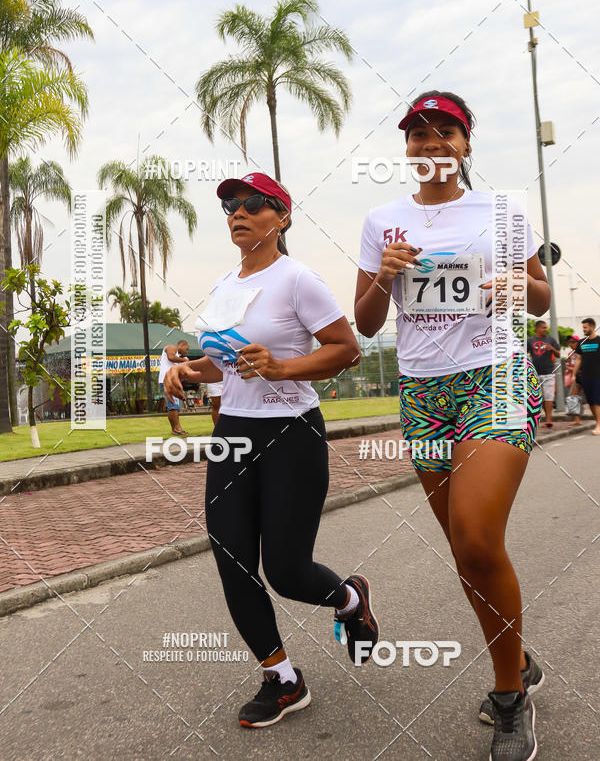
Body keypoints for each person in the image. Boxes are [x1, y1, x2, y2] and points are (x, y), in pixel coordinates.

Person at [355, 91, 547, 761]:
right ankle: (517, 659)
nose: (431, 144)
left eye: (445, 134)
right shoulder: (383, 220)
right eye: (419, 135)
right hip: (423, 391)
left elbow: (542, 294)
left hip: (493, 376)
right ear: (407, 149)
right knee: (467, 552)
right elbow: (367, 322)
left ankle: (508, 699)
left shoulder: (501, 211)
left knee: (474, 533)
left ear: (467, 145)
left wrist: (513, 289)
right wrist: (383, 275)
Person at [164, 172, 379, 728]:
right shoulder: (223, 284)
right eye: (230, 205)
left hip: (291, 432)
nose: (237, 211)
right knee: (232, 559)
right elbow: (225, 361)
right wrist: (189, 371)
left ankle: (350, 601)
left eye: (252, 203)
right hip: (233, 433)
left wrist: (283, 366)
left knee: (285, 571)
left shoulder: (298, 279)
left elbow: (346, 349)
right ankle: (282, 678)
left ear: (281, 217)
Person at [527, 321, 561, 427]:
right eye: (543, 328)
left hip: (549, 372)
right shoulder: (530, 340)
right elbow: (525, 353)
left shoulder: (551, 340)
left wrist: (552, 349)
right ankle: (544, 418)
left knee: (549, 396)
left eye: (546, 328)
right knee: (539, 397)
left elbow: (559, 355)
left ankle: (549, 419)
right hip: (535, 374)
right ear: (537, 328)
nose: (545, 329)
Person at [573, 318, 600, 435]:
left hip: (597, 375)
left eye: (585, 327)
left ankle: (599, 425)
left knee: (596, 401)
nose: (583, 329)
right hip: (585, 376)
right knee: (590, 402)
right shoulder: (582, 342)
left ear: (592, 327)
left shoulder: (599, 340)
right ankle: (598, 422)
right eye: (583, 327)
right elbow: (578, 359)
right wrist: (574, 375)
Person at [158, 340, 190, 435]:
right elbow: (171, 357)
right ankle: (178, 429)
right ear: (182, 345)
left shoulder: (178, 358)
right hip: (167, 382)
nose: (186, 352)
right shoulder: (171, 347)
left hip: (171, 382)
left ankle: (174, 429)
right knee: (173, 406)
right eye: (186, 349)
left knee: (174, 406)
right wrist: (184, 360)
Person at [565, 335, 583, 426]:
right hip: (576, 378)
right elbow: (569, 365)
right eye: (569, 342)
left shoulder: (582, 352)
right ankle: (577, 420)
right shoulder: (570, 354)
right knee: (573, 397)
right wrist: (569, 367)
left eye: (573, 342)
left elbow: (580, 366)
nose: (570, 344)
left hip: (585, 376)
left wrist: (572, 369)